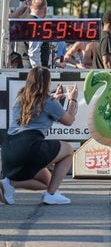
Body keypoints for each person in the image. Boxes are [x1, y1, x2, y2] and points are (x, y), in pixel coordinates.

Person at [1, 67, 78, 205]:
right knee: (67, 150)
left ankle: (9, 183)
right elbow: (69, 120)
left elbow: (38, 108)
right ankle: (51, 195)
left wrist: (54, 99)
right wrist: (73, 100)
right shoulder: (49, 102)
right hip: (29, 146)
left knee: (48, 182)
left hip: (9, 150)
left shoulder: (20, 98)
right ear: (47, 82)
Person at [27, 0, 50, 68]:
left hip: (21, 67)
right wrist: (38, 70)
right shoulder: (37, 25)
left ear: (31, 7)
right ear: (45, 10)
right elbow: (33, 51)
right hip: (33, 70)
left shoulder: (23, 21)